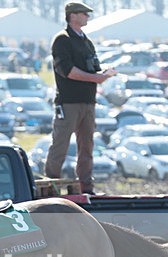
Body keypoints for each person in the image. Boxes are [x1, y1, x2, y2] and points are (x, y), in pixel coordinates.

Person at [44, 2, 117, 195]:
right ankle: (50, 189)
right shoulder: (62, 39)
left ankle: (86, 187)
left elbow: (92, 67)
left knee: (87, 146)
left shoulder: (86, 41)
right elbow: (67, 70)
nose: (87, 17)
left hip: (88, 102)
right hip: (68, 102)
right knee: (60, 145)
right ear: (72, 15)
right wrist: (96, 78)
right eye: (84, 14)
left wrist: (104, 73)